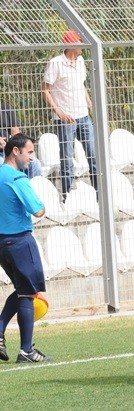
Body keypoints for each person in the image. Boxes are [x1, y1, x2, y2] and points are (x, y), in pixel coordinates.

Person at [0, 134, 53, 363]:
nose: (32, 157)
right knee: (28, 292)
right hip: (19, 240)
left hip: (2, 243)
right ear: (16, 151)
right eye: (29, 152)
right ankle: (26, 351)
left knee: (23, 289)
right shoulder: (17, 178)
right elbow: (37, 210)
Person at [42, 29, 98, 199]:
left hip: (83, 116)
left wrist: (89, 103)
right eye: (79, 42)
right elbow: (45, 90)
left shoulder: (80, 61)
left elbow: (81, 85)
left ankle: (99, 193)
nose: (82, 45)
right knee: (67, 159)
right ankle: (67, 196)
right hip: (65, 119)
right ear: (71, 44)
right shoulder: (56, 63)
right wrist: (58, 111)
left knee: (93, 155)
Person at [0, 102, 41, 178]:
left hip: (11, 150)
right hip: (1, 154)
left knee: (35, 163)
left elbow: (16, 133)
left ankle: (28, 184)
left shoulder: (6, 108)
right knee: (2, 163)